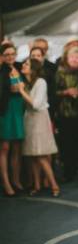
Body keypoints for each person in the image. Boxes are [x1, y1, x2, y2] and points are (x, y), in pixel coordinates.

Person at [17, 58, 60, 197]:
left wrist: (21, 91)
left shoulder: (41, 82)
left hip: (39, 119)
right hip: (29, 119)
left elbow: (36, 105)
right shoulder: (28, 82)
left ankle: (54, 185)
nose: (23, 65)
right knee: (32, 155)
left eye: (27, 64)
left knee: (41, 155)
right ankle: (37, 185)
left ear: (34, 68)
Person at [55, 47, 78, 182]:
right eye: (72, 57)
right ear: (67, 59)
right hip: (64, 113)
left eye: (77, 57)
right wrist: (66, 92)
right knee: (66, 144)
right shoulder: (59, 72)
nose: (74, 59)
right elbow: (52, 93)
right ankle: (68, 172)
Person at [0, 44, 24, 197]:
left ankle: (16, 180)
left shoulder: (20, 67)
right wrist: (13, 88)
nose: (10, 57)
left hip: (19, 109)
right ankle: (6, 182)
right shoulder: (2, 70)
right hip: (5, 110)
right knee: (4, 148)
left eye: (12, 54)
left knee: (17, 147)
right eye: (6, 54)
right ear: (2, 56)